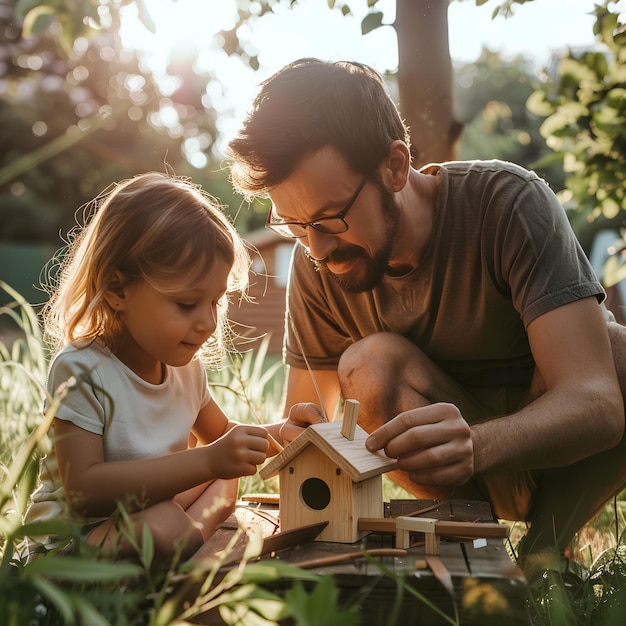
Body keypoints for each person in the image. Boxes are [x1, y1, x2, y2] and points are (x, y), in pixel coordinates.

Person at [226, 58, 626, 569]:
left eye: (331, 219)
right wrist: (299, 434)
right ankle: (473, 542)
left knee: (613, 353)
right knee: (370, 363)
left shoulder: (508, 204)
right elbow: (310, 419)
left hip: (556, 454)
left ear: (394, 167)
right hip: (450, 475)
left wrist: (477, 444)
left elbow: (598, 403)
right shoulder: (316, 260)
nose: (318, 249)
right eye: (295, 225)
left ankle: (547, 548)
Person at [24, 172, 313, 562]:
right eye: (186, 303)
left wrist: (282, 434)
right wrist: (208, 459)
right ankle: (180, 552)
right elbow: (84, 494)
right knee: (165, 520)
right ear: (117, 290)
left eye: (215, 301)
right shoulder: (82, 370)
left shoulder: (186, 371)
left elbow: (223, 436)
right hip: (74, 544)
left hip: (153, 516)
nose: (208, 323)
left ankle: (177, 551)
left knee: (221, 480)